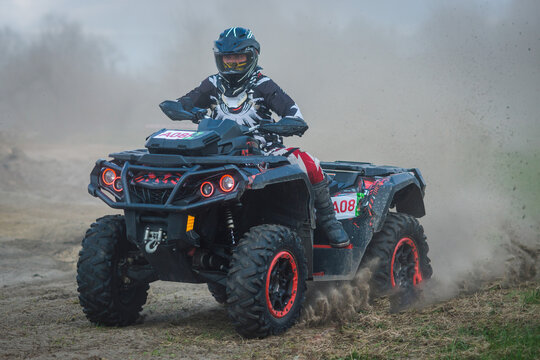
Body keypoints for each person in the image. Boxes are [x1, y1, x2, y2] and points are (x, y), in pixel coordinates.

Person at [175, 27, 349, 248]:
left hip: (265, 152)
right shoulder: (212, 84)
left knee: (308, 162)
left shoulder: (264, 84)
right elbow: (181, 103)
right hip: (218, 154)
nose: (233, 63)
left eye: (239, 57)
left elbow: (295, 115)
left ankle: (329, 221)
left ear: (252, 57)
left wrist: (282, 125)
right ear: (220, 59)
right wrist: (183, 110)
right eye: (228, 58)